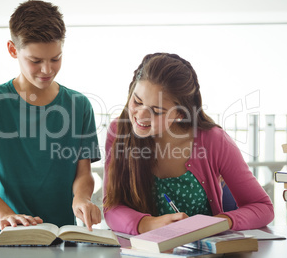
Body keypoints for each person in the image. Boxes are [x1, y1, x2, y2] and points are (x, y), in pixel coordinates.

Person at [0, 0, 101, 231]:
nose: (47, 70)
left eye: (55, 58)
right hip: (3, 233)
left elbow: (83, 172)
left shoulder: (79, 105)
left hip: (60, 234)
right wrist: (5, 214)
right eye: (35, 61)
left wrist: (82, 198)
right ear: (13, 50)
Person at [103, 53, 274, 235]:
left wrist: (216, 223)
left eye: (157, 111)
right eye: (137, 101)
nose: (141, 116)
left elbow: (262, 207)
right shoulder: (118, 132)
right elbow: (111, 207)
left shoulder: (214, 140)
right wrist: (147, 224)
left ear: (180, 114)